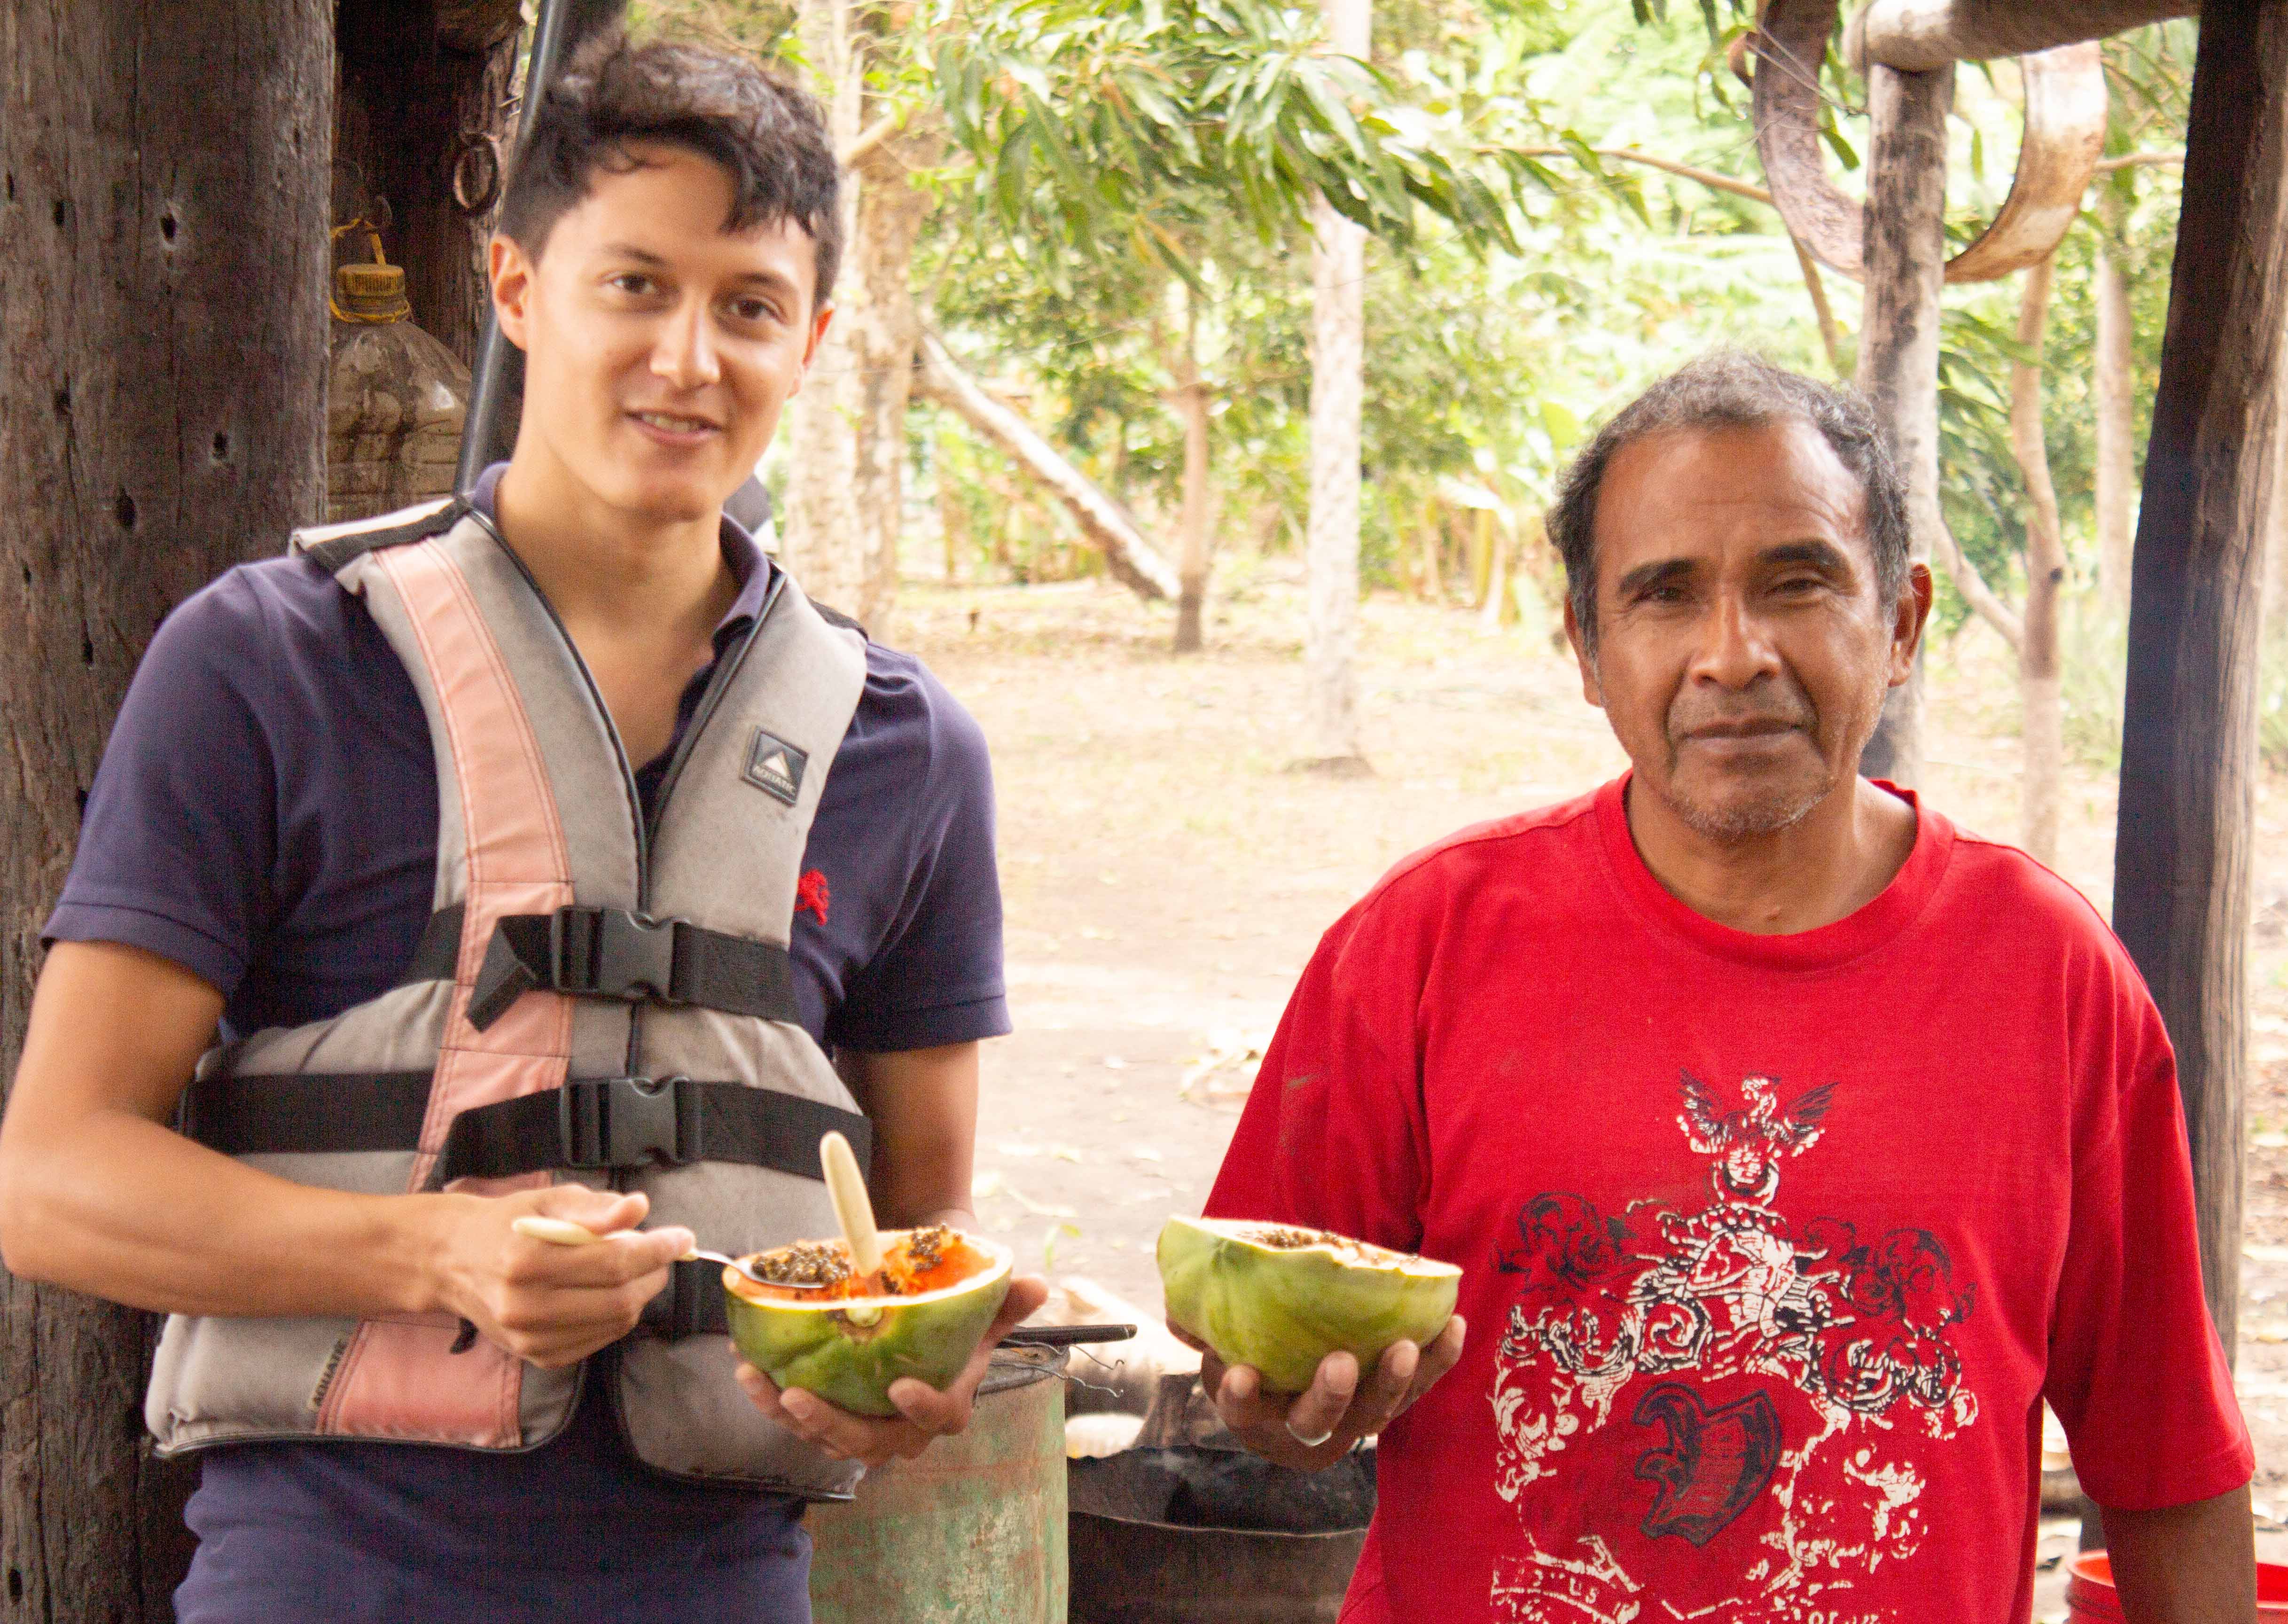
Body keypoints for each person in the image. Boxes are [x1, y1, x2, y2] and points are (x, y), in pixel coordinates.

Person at [0, 35, 1040, 1624]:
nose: (690, 358)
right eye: (634, 284)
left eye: (749, 307)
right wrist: (431, 1258)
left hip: (718, 1582)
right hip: (326, 1572)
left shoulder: (908, 752)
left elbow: (920, 1227)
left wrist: (914, 1368)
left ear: (812, 338)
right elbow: (53, 1178)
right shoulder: (270, 662)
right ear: (514, 288)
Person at [1187, 353, 2255, 1622]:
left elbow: (2167, 1464)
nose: (1732, 656)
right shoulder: (1420, 949)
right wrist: (1296, 1416)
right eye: (1665, 597)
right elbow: (1266, 1386)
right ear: (1588, 645)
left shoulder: (2053, 977)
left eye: (1796, 585)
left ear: (1903, 623)